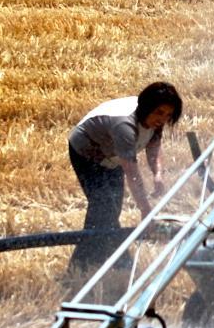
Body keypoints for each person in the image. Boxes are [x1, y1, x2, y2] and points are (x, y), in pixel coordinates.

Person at [65, 81, 183, 282]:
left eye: (168, 115)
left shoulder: (155, 122)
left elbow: (154, 147)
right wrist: (145, 209)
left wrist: (158, 174)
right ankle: (81, 266)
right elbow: (132, 173)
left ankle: (110, 258)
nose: (163, 119)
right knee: (103, 207)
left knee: (110, 210)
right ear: (147, 108)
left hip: (113, 156)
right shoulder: (124, 126)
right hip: (87, 153)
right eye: (159, 112)